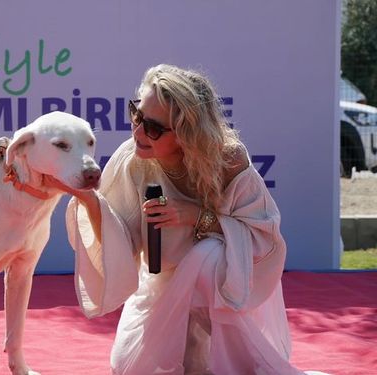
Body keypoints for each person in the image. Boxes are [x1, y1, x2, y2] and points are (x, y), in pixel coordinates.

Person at [45, 64, 306, 374]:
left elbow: (264, 238)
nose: (138, 131)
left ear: (187, 133)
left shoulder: (228, 159)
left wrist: (197, 217)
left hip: (229, 289)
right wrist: (89, 200)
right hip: (162, 285)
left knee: (206, 257)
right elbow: (122, 245)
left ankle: (226, 360)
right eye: (136, 114)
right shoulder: (133, 160)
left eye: (153, 127)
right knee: (127, 367)